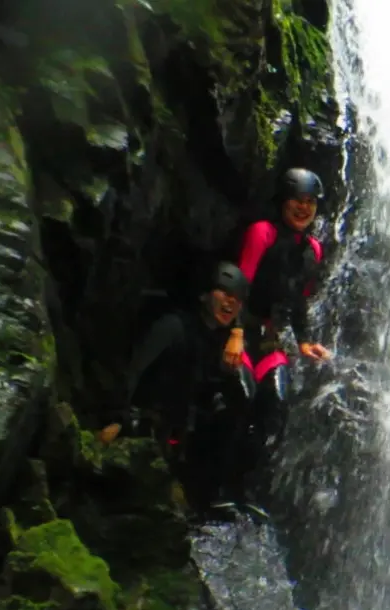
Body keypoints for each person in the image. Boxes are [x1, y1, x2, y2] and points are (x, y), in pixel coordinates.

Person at [99, 262, 257, 516]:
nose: (231, 303)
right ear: (205, 294)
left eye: (237, 299)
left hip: (180, 438)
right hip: (143, 426)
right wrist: (116, 418)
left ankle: (222, 493)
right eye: (225, 294)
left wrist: (237, 338)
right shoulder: (173, 326)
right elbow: (133, 371)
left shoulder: (221, 342)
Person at [224, 167, 335, 499]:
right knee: (241, 398)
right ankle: (217, 489)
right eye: (296, 201)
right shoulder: (263, 232)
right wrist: (235, 332)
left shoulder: (312, 249)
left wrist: (304, 341)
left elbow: (299, 300)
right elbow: (238, 286)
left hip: (269, 338)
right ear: (282, 202)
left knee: (276, 406)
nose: (304, 208)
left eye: (310, 202)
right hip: (241, 330)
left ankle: (248, 492)